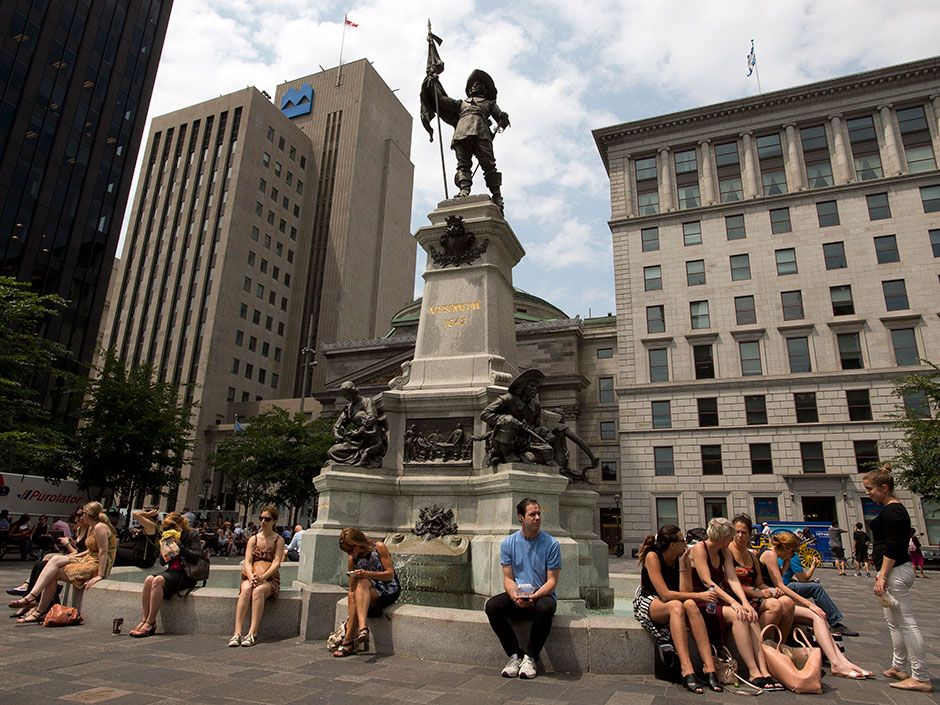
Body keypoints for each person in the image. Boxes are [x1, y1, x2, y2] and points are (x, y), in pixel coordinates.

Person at [757, 531, 873, 679]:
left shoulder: (775, 556)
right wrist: (809, 604)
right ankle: (837, 662)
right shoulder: (770, 555)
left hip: (779, 599)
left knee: (819, 616)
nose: (793, 557)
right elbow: (781, 585)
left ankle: (840, 661)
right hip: (770, 600)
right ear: (788, 549)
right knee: (815, 612)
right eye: (793, 553)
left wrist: (785, 566)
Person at [690, 517, 780, 691]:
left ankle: (764, 670)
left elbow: (732, 578)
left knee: (750, 615)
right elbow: (708, 581)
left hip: (718, 599)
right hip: (703, 600)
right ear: (722, 537)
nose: (733, 539)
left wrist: (745, 602)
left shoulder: (724, 552)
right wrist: (733, 603)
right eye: (731, 535)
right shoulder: (700, 549)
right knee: (738, 615)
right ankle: (753, 671)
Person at [864, 465, 932, 692]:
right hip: (895, 571)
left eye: (870, 489)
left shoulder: (893, 512)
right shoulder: (894, 510)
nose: (868, 493)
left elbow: (892, 547)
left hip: (895, 572)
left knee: (906, 623)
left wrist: (882, 575)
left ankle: (920, 676)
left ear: (884, 488)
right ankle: (899, 666)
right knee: (894, 623)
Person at [634, 524, 724, 694]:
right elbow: (665, 594)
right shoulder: (652, 556)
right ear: (673, 544)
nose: (686, 543)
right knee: (677, 606)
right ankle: (686, 668)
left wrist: (683, 565)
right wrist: (701, 596)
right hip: (650, 600)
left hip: (674, 600)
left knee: (689, 605)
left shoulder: (683, 558)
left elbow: (687, 594)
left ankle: (709, 667)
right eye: (683, 540)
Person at [484, 498, 559, 680]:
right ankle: (514, 655)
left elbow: (552, 581)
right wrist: (515, 595)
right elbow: (508, 578)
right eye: (532, 514)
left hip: (542, 596)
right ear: (520, 517)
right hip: (519, 596)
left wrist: (534, 596)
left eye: (539, 513)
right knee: (492, 606)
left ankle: (531, 656)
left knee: (546, 607)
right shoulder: (508, 544)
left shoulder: (551, 544)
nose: (537, 518)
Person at [8, 501, 116, 623]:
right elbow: (90, 551)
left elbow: (103, 551)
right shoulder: (92, 527)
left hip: (95, 564)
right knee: (53, 565)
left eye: (82, 514)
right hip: (88, 559)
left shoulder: (99, 527)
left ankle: (32, 600)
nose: (79, 517)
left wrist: (100, 575)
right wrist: (72, 557)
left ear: (88, 514)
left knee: (52, 564)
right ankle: (37, 607)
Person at [425, 68, 511, 209]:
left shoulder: (489, 103)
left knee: (489, 165)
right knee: (463, 164)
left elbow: (500, 117)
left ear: (483, 89)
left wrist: (503, 119)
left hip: (481, 132)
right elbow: (442, 101)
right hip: (462, 132)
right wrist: (434, 83)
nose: (473, 86)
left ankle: (497, 195)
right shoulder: (461, 103)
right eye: (472, 85)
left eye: (477, 84)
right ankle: (464, 190)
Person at [128, 512, 203, 637]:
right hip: (172, 571)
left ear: (180, 524)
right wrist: (165, 549)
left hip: (186, 573)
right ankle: (144, 619)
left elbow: (195, 557)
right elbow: (163, 561)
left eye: (172, 527)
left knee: (158, 581)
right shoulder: (166, 537)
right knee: (148, 580)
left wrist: (180, 546)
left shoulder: (191, 534)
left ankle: (150, 621)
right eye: (167, 528)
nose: (169, 530)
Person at [333, 527, 400, 657]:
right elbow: (352, 590)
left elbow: (390, 574)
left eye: (351, 549)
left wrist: (367, 573)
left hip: (388, 588)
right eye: (347, 551)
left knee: (363, 581)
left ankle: (348, 642)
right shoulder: (352, 559)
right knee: (360, 585)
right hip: (366, 591)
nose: (351, 553)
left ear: (358, 542)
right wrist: (350, 609)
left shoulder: (379, 547)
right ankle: (362, 629)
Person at [729, 515, 795, 635]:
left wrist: (772, 590)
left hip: (754, 594)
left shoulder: (752, 556)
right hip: (736, 595)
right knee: (775, 606)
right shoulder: (727, 552)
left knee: (787, 602)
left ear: (749, 534)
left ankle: (780, 643)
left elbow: (759, 583)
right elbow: (728, 582)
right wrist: (757, 593)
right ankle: (761, 644)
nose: (739, 535)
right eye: (736, 532)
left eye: (743, 532)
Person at [778, 537, 858, 636]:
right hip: (784, 586)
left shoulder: (777, 554)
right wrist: (813, 566)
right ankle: (835, 622)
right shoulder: (792, 556)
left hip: (781, 584)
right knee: (816, 588)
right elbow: (803, 579)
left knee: (810, 586)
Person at [229, 506, 284, 647]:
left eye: (267, 519)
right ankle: (237, 632)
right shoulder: (253, 539)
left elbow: (276, 563)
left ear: (274, 521)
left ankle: (252, 633)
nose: (263, 521)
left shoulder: (279, 540)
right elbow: (247, 561)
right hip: (252, 575)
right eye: (261, 518)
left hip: (269, 578)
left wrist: (263, 577)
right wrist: (251, 575)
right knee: (246, 589)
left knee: (258, 591)